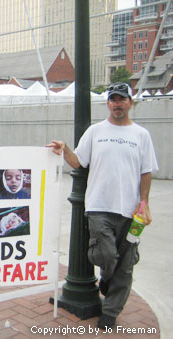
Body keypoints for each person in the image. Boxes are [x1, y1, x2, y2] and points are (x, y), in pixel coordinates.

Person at [46, 82, 158, 330]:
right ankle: (106, 277)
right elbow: (78, 162)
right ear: (108, 103)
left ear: (130, 102)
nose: (117, 103)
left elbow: (146, 172)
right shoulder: (95, 131)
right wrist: (64, 150)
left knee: (126, 265)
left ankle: (111, 312)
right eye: (113, 99)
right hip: (98, 206)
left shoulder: (141, 135)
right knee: (106, 254)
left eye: (122, 99)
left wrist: (144, 203)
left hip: (131, 212)